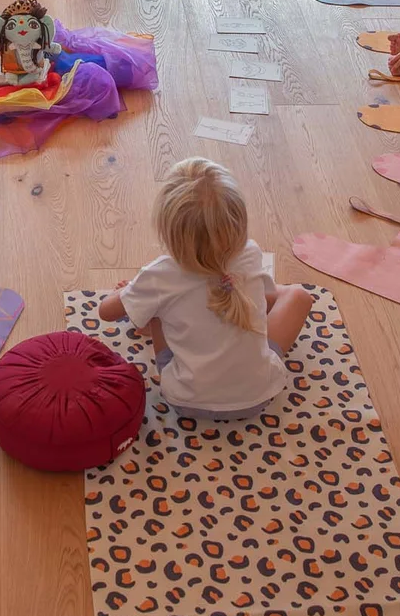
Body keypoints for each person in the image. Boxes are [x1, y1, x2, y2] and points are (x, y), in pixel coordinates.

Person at [96, 158, 313, 421]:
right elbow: (268, 301)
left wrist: (131, 290)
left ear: (167, 230)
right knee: (298, 295)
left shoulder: (160, 274)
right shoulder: (250, 253)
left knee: (154, 308)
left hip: (185, 399)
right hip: (259, 395)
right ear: (239, 223)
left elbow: (106, 312)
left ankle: (148, 316)